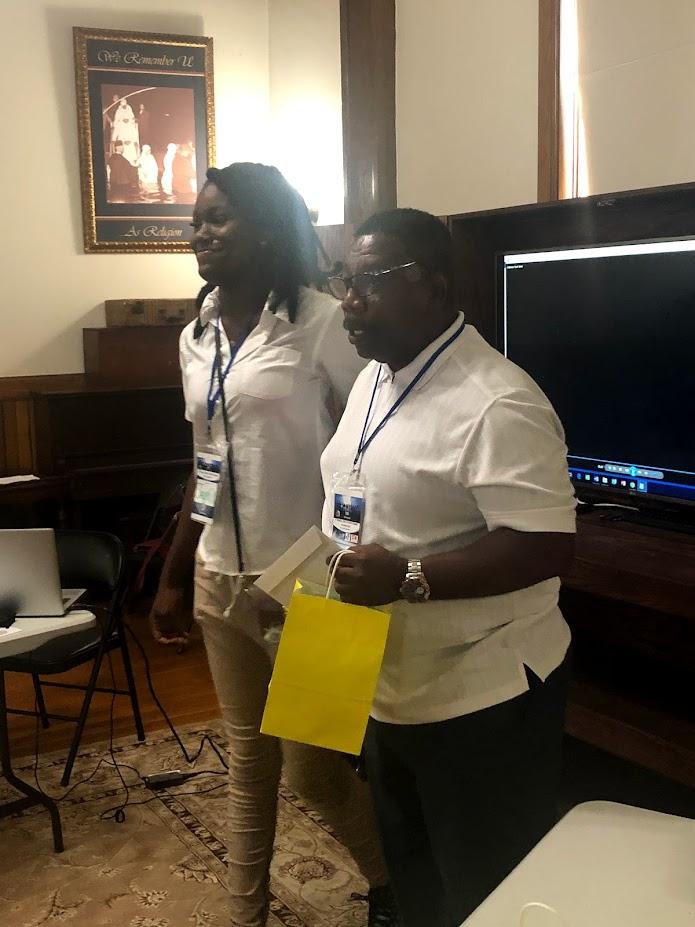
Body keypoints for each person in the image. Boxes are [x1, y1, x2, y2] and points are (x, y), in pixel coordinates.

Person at [149, 162, 399, 927]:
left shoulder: (322, 323)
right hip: (219, 579)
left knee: (314, 773)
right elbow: (206, 463)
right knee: (247, 764)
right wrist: (173, 571)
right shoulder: (194, 337)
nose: (200, 232)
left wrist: (337, 556)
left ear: (263, 227)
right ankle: (245, 914)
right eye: (196, 220)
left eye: (217, 217)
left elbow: (374, 445)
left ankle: (396, 882)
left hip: (314, 582)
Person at [321, 208, 577, 927]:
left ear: (432, 287)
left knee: (485, 890)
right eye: (343, 279)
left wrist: (407, 577)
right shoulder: (376, 378)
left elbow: (546, 545)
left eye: (370, 281)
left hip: (479, 696)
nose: (349, 299)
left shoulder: (496, 401)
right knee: (414, 876)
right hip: (388, 679)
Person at [111, 96, 140, 164]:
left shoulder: (130, 123)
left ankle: (132, 163)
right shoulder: (119, 117)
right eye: (123, 106)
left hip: (130, 141)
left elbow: (132, 119)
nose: (124, 107)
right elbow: (116, 123)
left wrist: (133, 141)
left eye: (125, 106)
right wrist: (114, 139)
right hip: (122, 141)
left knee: (131, 151)